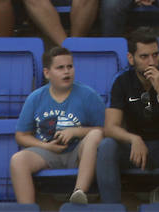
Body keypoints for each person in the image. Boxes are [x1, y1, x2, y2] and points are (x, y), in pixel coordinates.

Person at [95, 29, 159, 203]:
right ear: (131, 59)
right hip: (133, 148)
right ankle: (111, 208)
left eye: (156, 55)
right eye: (144, 57)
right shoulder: (120, 80)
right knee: (107, 145)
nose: (152, 62)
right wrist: (133, 139)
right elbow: (110, 128)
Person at [10, 47, 105, 205]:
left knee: (95, 135)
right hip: (46, 152)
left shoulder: (88, 95)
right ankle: (27, 209)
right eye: (60, 68)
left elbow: (107, 130)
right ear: (47, 73)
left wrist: (76, 131)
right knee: (17, 160)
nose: (66, 72)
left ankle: (78, 193)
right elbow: (21, 136)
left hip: (78, 152)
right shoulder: (35, 98)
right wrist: (46, 146)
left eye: (70, 66)